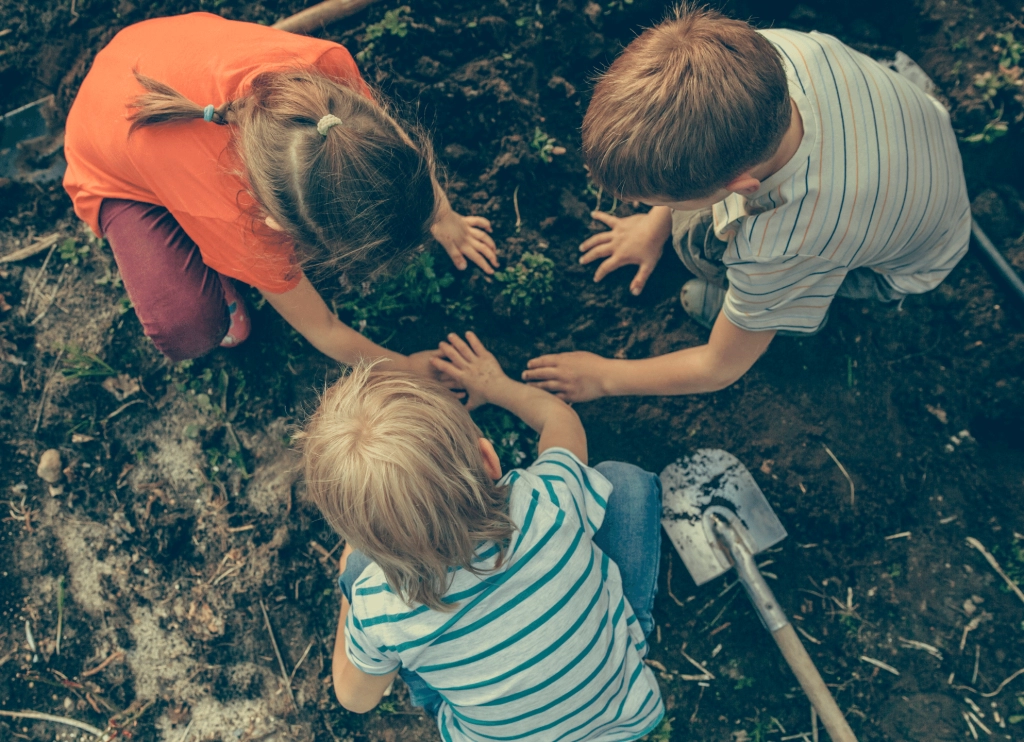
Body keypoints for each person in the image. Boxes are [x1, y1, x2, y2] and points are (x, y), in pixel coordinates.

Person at [522, 5, 970, 402]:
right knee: (690, 221)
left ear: (743, 184)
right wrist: (649, 228)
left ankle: (781, 313)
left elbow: (719, 367)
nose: (645, 206)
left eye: (654, 201)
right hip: (917, 142)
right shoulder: (773, 54)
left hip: (905, 267)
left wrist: (604, 377)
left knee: (696, 240)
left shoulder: (788, 240)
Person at [63, 12, 497, 370]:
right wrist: (405, 368)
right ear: (275, 221)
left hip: (144, 51)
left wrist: (445, 216)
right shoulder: (239, 224)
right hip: (105, 156)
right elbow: (323, 327)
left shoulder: (326, 79)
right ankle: (217, 284)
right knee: (189, 330)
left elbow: (390, 143)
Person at [301, 333, 664, 741]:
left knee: (356, 573)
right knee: (622, 483)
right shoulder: (546, 500)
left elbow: (354, 699)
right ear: (489, 459)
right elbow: (560, 421)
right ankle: (619, 634)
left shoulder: (381, 609)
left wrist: (355, 594)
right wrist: (496, 385)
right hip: (621, 717)